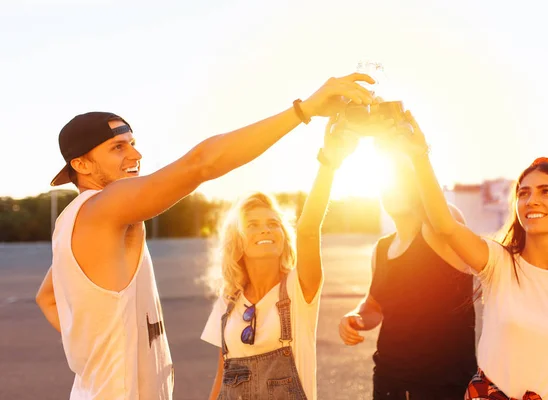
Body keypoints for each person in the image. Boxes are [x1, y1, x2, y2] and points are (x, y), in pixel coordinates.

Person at [34, 73, 376, 400]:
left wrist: (99, 350)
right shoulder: (103, 207)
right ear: (82, 165)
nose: (135, 155)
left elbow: (47, 298)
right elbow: (201, 164)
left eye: (133, 144)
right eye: (117, 148)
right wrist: (305, 110)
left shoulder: (73, 225)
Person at [395, 108, 548, 399]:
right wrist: (419, 155)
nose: (532, 201)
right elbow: (444, 225)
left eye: (546, 192)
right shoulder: (498, 262)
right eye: (524, 193)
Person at [200, 112, 365, 400]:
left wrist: (329, 162)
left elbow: (309, 229)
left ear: (283, 236)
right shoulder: (228, 301)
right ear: (237, 241)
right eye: (252, 225)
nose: (266, 229)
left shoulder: (300, 289)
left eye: (273, 223)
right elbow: (222, 376)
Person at [337, 102, 477, 400]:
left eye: (403, 181)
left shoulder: (440, 229)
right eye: (389, 184)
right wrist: (356, 316)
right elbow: (375, 305)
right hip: (389, 383)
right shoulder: (382, 248)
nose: (394, 189)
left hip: (445, 387)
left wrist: (411, 151)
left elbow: (438, 213)